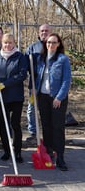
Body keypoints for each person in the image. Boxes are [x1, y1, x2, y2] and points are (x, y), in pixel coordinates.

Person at [33, 33, 71, 171]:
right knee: (46, 125)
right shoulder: (40, 58)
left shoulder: (63, 59)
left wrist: (59, 97)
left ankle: (60, 156)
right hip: (43, 97)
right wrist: (34, 90)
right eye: (49, 42)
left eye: (54, 42)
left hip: (57, 99)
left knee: (58, 127)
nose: (51, 45)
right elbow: (36, 75)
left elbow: (67, 80)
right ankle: (49, 152)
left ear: (59, 44)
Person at [0, 33, 28, 163]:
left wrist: (5, 84)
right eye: (5, 43)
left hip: (15, 97)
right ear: (2, 44)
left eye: (10, 43)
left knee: (15, 124)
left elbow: (22, 75)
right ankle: (7, 151)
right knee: (3, 125)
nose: (8, 45)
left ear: (14, 43)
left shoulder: (20, 57)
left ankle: (17, 152)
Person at [25, 24, 51, 141]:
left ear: (50, 32)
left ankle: (49, 133)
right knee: (32, 108)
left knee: (48, 109)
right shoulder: (32, 47)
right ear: (39, 32)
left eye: (46, 31)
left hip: (50, 86)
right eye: (42, 31)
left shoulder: (54, 45)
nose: (44, 33)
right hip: (35, 84)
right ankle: (33, 132)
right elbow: (25, 66)